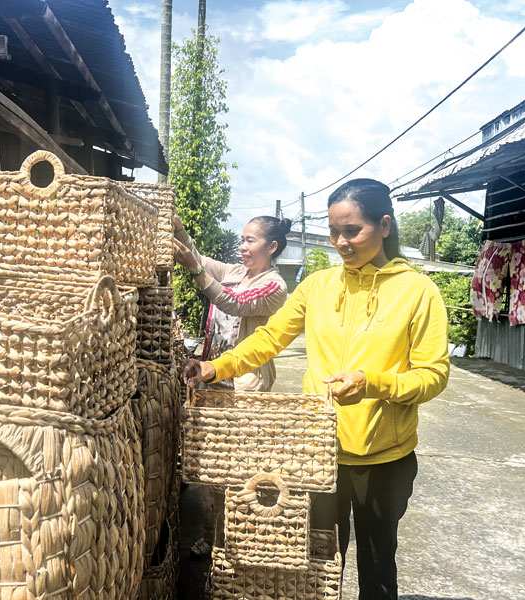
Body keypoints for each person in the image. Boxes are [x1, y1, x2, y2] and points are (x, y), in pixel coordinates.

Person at [183, 179, 449, 600]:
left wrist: (373, 384)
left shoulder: (418, 292)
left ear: (384, 225)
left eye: (352, 231)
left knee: (378, 567)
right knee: (315, 566)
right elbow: (269, 338)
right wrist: (216, 366)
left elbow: (432, 375)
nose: (341, 242)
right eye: (334, 231)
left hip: (384, 460)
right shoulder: (319, 286)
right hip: (316, 452)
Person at [173, 214, 290, 391]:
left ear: (272, 246)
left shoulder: (274, 285)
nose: (243, 247)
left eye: (250, 241)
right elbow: (196, 259)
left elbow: (234, 302)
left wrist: (196, 270)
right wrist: (179, 229)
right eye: (242, 240)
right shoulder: (235, 272)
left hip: (244, 383)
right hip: (212, 373)